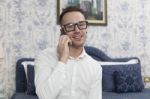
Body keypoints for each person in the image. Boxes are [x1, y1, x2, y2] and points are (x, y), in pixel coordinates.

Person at [34, 6, 102, 99]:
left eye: (81, 24)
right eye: (70, 26)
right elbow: (44, 96)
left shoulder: (95, 67)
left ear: (86, 29)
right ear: (62, 31)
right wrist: (63, 59)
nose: (77, 30)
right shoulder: (44, 57)